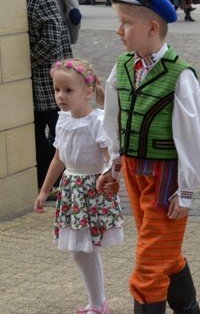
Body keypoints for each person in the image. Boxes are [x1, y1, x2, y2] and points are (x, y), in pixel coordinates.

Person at [97, 0, 200, 312]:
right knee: (164, 253)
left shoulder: (180, 75)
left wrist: (187, 189)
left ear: (151, 28)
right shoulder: (123, 67)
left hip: (166, 179)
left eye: (125, 23)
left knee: (148, 267)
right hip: (135, 173)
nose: (119, 30)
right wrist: (114, 165)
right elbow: (114, 119)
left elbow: (194, 135)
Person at [34, 58, 123, 314]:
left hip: (91, 192)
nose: (61, 96)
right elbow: (59, 158)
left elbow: (111, 158)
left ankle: (98, 304)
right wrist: (43, 190)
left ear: (87, 91)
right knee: (79, 250)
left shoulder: (96, 120)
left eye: (68, 90)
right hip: (71, 190)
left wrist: (111, 179)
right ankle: (97, 302)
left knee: (84, 249)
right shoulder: (63, 120)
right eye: (57, 90)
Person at [24, 0, 73, 196]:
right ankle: (53, 182)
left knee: (40, 133)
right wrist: (25, 64)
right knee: (58, 134)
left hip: (34, 83)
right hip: (49, 83)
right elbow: (52, 40)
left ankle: (46, 180)